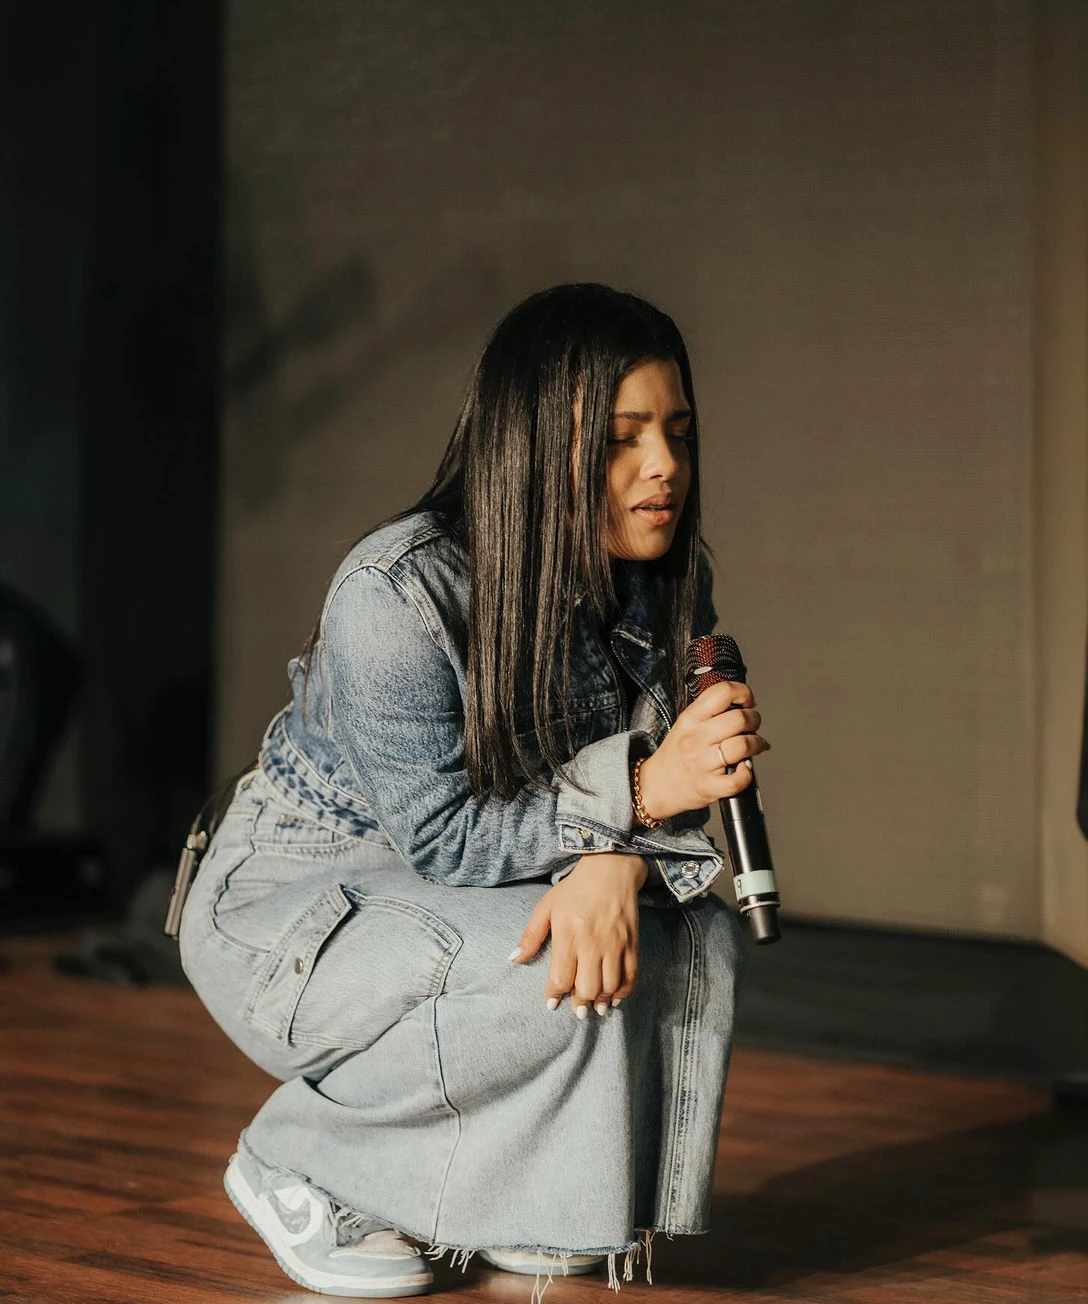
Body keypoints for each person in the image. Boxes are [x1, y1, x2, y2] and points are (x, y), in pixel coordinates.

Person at [178, 283, 771, 1300]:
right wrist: (625, 802)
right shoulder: (396, 591)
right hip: (293, 906)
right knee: (534, 965)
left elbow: (654, 791)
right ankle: (303, 1159)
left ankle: (536, 1193)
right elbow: (442, 839)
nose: (664, 466)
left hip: (462, 884)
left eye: (676, 431)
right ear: (538, 446)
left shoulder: (667, 579)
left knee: (689, 938)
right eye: (625, 438)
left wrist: (612, 852)